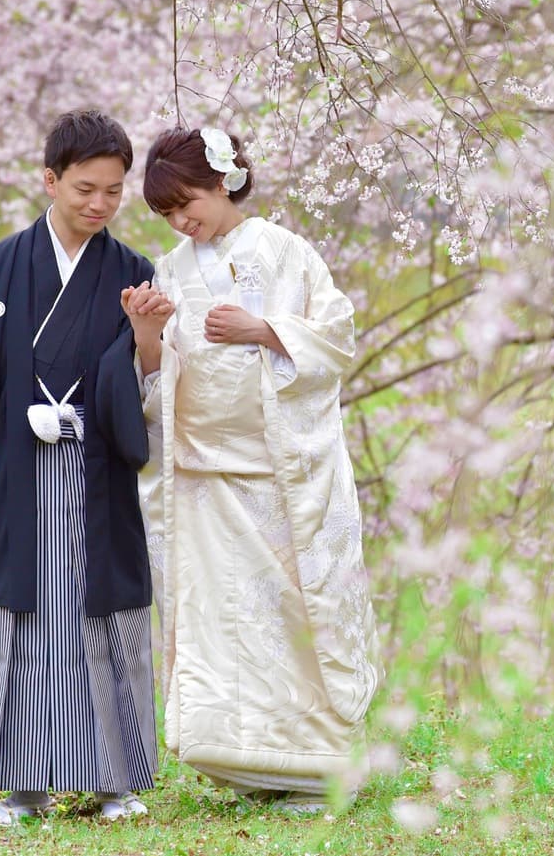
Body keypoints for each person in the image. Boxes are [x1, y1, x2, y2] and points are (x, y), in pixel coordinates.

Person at [122, 125, 380, 813]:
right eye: (168, 213)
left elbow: (336, 335)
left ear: (222, 182)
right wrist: (149, 335)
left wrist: (263, 330)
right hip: (203, 477)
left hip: (278, 474)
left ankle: (317, 768)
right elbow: (157, 382)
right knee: (219, 622)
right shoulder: (170, 270)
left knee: (289, 613)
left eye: (187, 203)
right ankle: (244, 763)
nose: (181, 221)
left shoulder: (285, 252)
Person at [0, 110, 159, 825]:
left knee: (105, 621)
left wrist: (147, 335)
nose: (100, 204)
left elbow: (147, 390)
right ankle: (26, 786)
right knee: (21, 626)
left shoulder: (132, 274)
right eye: (85, 187)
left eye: (114, 191)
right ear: (49, 179)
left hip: (96, 476)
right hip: (13, 478)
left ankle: (116, 782)